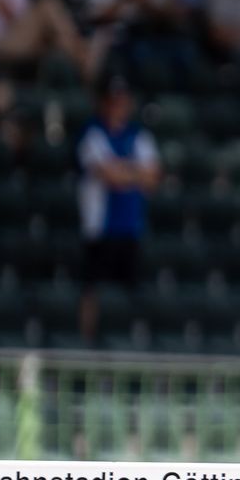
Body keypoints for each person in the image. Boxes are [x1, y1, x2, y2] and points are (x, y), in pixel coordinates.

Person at [77, 77, 160, 344]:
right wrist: (135, 171)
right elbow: (108, 174)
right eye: (113, 102)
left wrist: (123, 170)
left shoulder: (138, 135)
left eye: (122, 101)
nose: (117, 107)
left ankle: (131, 340)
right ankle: (87, 340)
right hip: (100, 226)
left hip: (131, 226)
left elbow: (153, 176)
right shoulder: (93, 132)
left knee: (133, 291)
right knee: (92, 288)